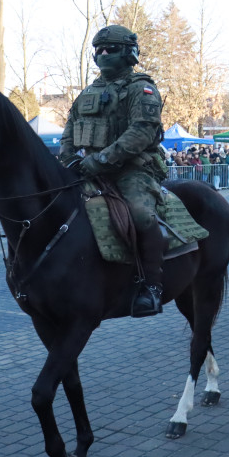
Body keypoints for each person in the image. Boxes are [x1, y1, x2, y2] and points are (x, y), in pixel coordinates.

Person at [59, 24, 168, 317]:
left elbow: (141, 132)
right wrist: (67, 159)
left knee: (141, 214)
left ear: (129, 53)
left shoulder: (141, 89)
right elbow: (69, 130)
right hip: (87, 170)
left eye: (111, 49)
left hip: (132, 170)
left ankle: (152, 286)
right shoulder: (87, 92)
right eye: (99, 50)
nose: (103, 54)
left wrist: (102, 160)